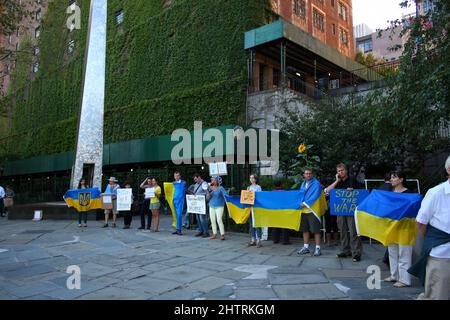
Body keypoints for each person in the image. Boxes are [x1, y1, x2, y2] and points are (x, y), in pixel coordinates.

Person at [409, 156, 450, 300]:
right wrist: (433, 241)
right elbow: (421, 223)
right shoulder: (436, 193)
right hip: (442, 254)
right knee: (438, 294)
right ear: (449, 170)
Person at [384, 170, 415, 288]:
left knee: (404, 252)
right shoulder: (389, 193)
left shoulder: (409, 194)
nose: (391, 179)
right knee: (392, 251)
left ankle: (404, 279)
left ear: (401, 179)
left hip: (404, 227)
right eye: (391, 177)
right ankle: (394, 275)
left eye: (394, 177)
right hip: (391, 226)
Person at [326, 163, 363, 262]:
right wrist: (336, 181)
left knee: (353, 231)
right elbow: (327, 191)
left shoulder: (352, 180)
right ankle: (345, 250)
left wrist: (353, 190)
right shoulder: (336, 182)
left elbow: (360, 194)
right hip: (340, 210)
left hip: (351, 210)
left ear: (346, 170)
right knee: (342, 230)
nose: (340, 172)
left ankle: (356, 253)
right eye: (338, 171)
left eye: (342, 170)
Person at [297, 168, 323, 257]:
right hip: (303, 210)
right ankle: (306, 247)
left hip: (313, 210)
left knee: (316, 230)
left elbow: (315, 196)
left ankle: (318, 248)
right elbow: (300, 195)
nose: (308, 175)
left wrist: (305, 203)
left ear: (312, 174)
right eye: (306, 173)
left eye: (310, 173)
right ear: (304, 175)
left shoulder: (316, 184)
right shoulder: (303, 184)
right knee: (305, 230)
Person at [208, 176, 227, 240]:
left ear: (217, 181)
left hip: (220, 205)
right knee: (212, 220)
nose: (213, 181)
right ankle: (214, 234)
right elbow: (208, 198)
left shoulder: (220, 188)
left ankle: (222, 234)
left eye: (215, 180)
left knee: (219, 219)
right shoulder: (210, 188)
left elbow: (226, 195)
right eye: (212, 180)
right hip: (211, 205)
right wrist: (208, 191)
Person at [379, 172, 393, 265]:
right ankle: (387, 257)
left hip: (383, 214)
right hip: (392, 215)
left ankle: (387, 257)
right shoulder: (393, 188)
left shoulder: (380, 187)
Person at [272, 180, 291, 245]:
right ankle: (285, 241)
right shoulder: (285, 191)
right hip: (283, 210)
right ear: (281, 184)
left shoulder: (272, 192)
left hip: (275, 210)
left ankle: (275, 239)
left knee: (275, 225)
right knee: (285, 225)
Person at [191, 174, 210, 238]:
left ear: (199, 177)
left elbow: (207, 192)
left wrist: (207, 200)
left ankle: (206, 232)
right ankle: (201, 230)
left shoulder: (204, 183)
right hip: (197, 203)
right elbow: (195, 192)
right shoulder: (196, 184)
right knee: (198, 217)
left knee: (202, 218)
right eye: (194, 180)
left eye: (196, 179)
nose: (195, 181)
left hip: (202, 202)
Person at [247, 174, 263, 248]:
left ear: (255, 179)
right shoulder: (248, 187)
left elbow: (260, 197)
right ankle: (253, 239)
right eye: (250, 178)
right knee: (251, 224)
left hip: (256, 208)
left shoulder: (258, 187)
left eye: (253, 178)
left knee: (257, 224)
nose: (251, 179)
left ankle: (259, 239)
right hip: (250, 208)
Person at [172, 171, 187, 235]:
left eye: (178, 175)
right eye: (175, 176)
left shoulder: (183, 183)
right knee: (175, 215)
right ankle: (177, 229)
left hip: (180, 201)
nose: (176, 177)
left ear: (180, 176)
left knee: (179, 215)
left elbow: (186, 190)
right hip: (174, 201)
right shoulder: (173, 183)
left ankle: (179, 229)